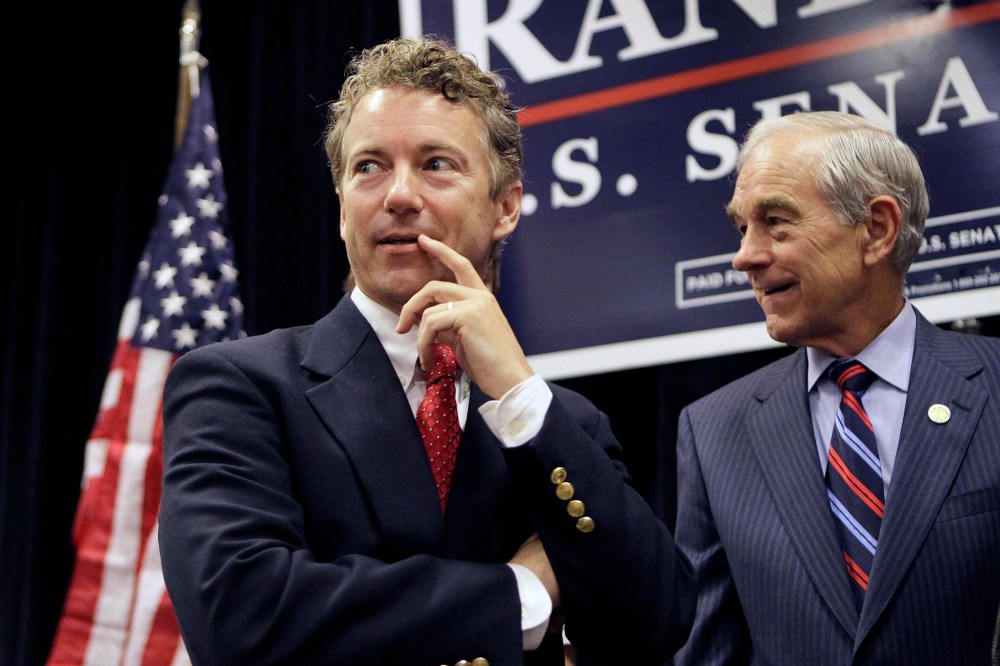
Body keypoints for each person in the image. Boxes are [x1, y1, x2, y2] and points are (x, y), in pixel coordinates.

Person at [158, 36, 695, 666]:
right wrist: (522, 595)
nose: (399, 195)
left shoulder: (561, 424)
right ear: (340, 209)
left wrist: (520, 395)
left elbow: (658, 621)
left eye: (436, 163)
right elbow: (239, 618)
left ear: (506, 206)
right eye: (370, 166)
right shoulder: (240, 386)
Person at [671, 110, 1000, 665]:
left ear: (876, 229)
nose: (745, 256)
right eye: (742, 227)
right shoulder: (712, 431)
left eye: (776, 220)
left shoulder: (992, 386)